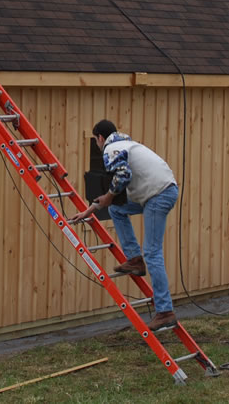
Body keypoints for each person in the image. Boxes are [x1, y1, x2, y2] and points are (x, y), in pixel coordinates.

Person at [70, 120, 179, 332]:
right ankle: (134, 259)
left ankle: (165, 311)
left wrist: (109, 195)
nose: (97, 144)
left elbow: (122, 176)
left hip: (158, 195)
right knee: (117, 210)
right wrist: (88, 211)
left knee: (153, 252)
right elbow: (113, 196)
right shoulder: (126, 145)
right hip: (158, 192)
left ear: (100, 138)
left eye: (95, 140)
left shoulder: (112, 148)